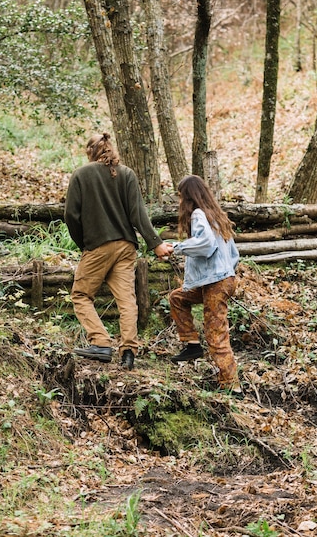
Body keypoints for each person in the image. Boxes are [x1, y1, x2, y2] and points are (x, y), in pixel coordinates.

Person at [64, 132, 172, 371]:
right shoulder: (127, 174)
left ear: (90, 152)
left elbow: (71, 215)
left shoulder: (81, 175)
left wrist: (84, 243)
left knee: (81, 295)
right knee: (126, 301)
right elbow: (138, 214)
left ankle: (101, 342)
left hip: (98, 245)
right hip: (126, 246)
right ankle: (129, 352)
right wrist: (156, 244)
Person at [168, 175, 242, 396]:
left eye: (181, 197)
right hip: (216, 281)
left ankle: (231, 386)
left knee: (215, 332)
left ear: (189, 197)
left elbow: (206, 244)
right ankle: (192, 345)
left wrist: (176, 247)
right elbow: (234, 255)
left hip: (216, 283)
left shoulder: (200, 215)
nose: (180, 202)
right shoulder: (216, 216)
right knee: (177, 298)